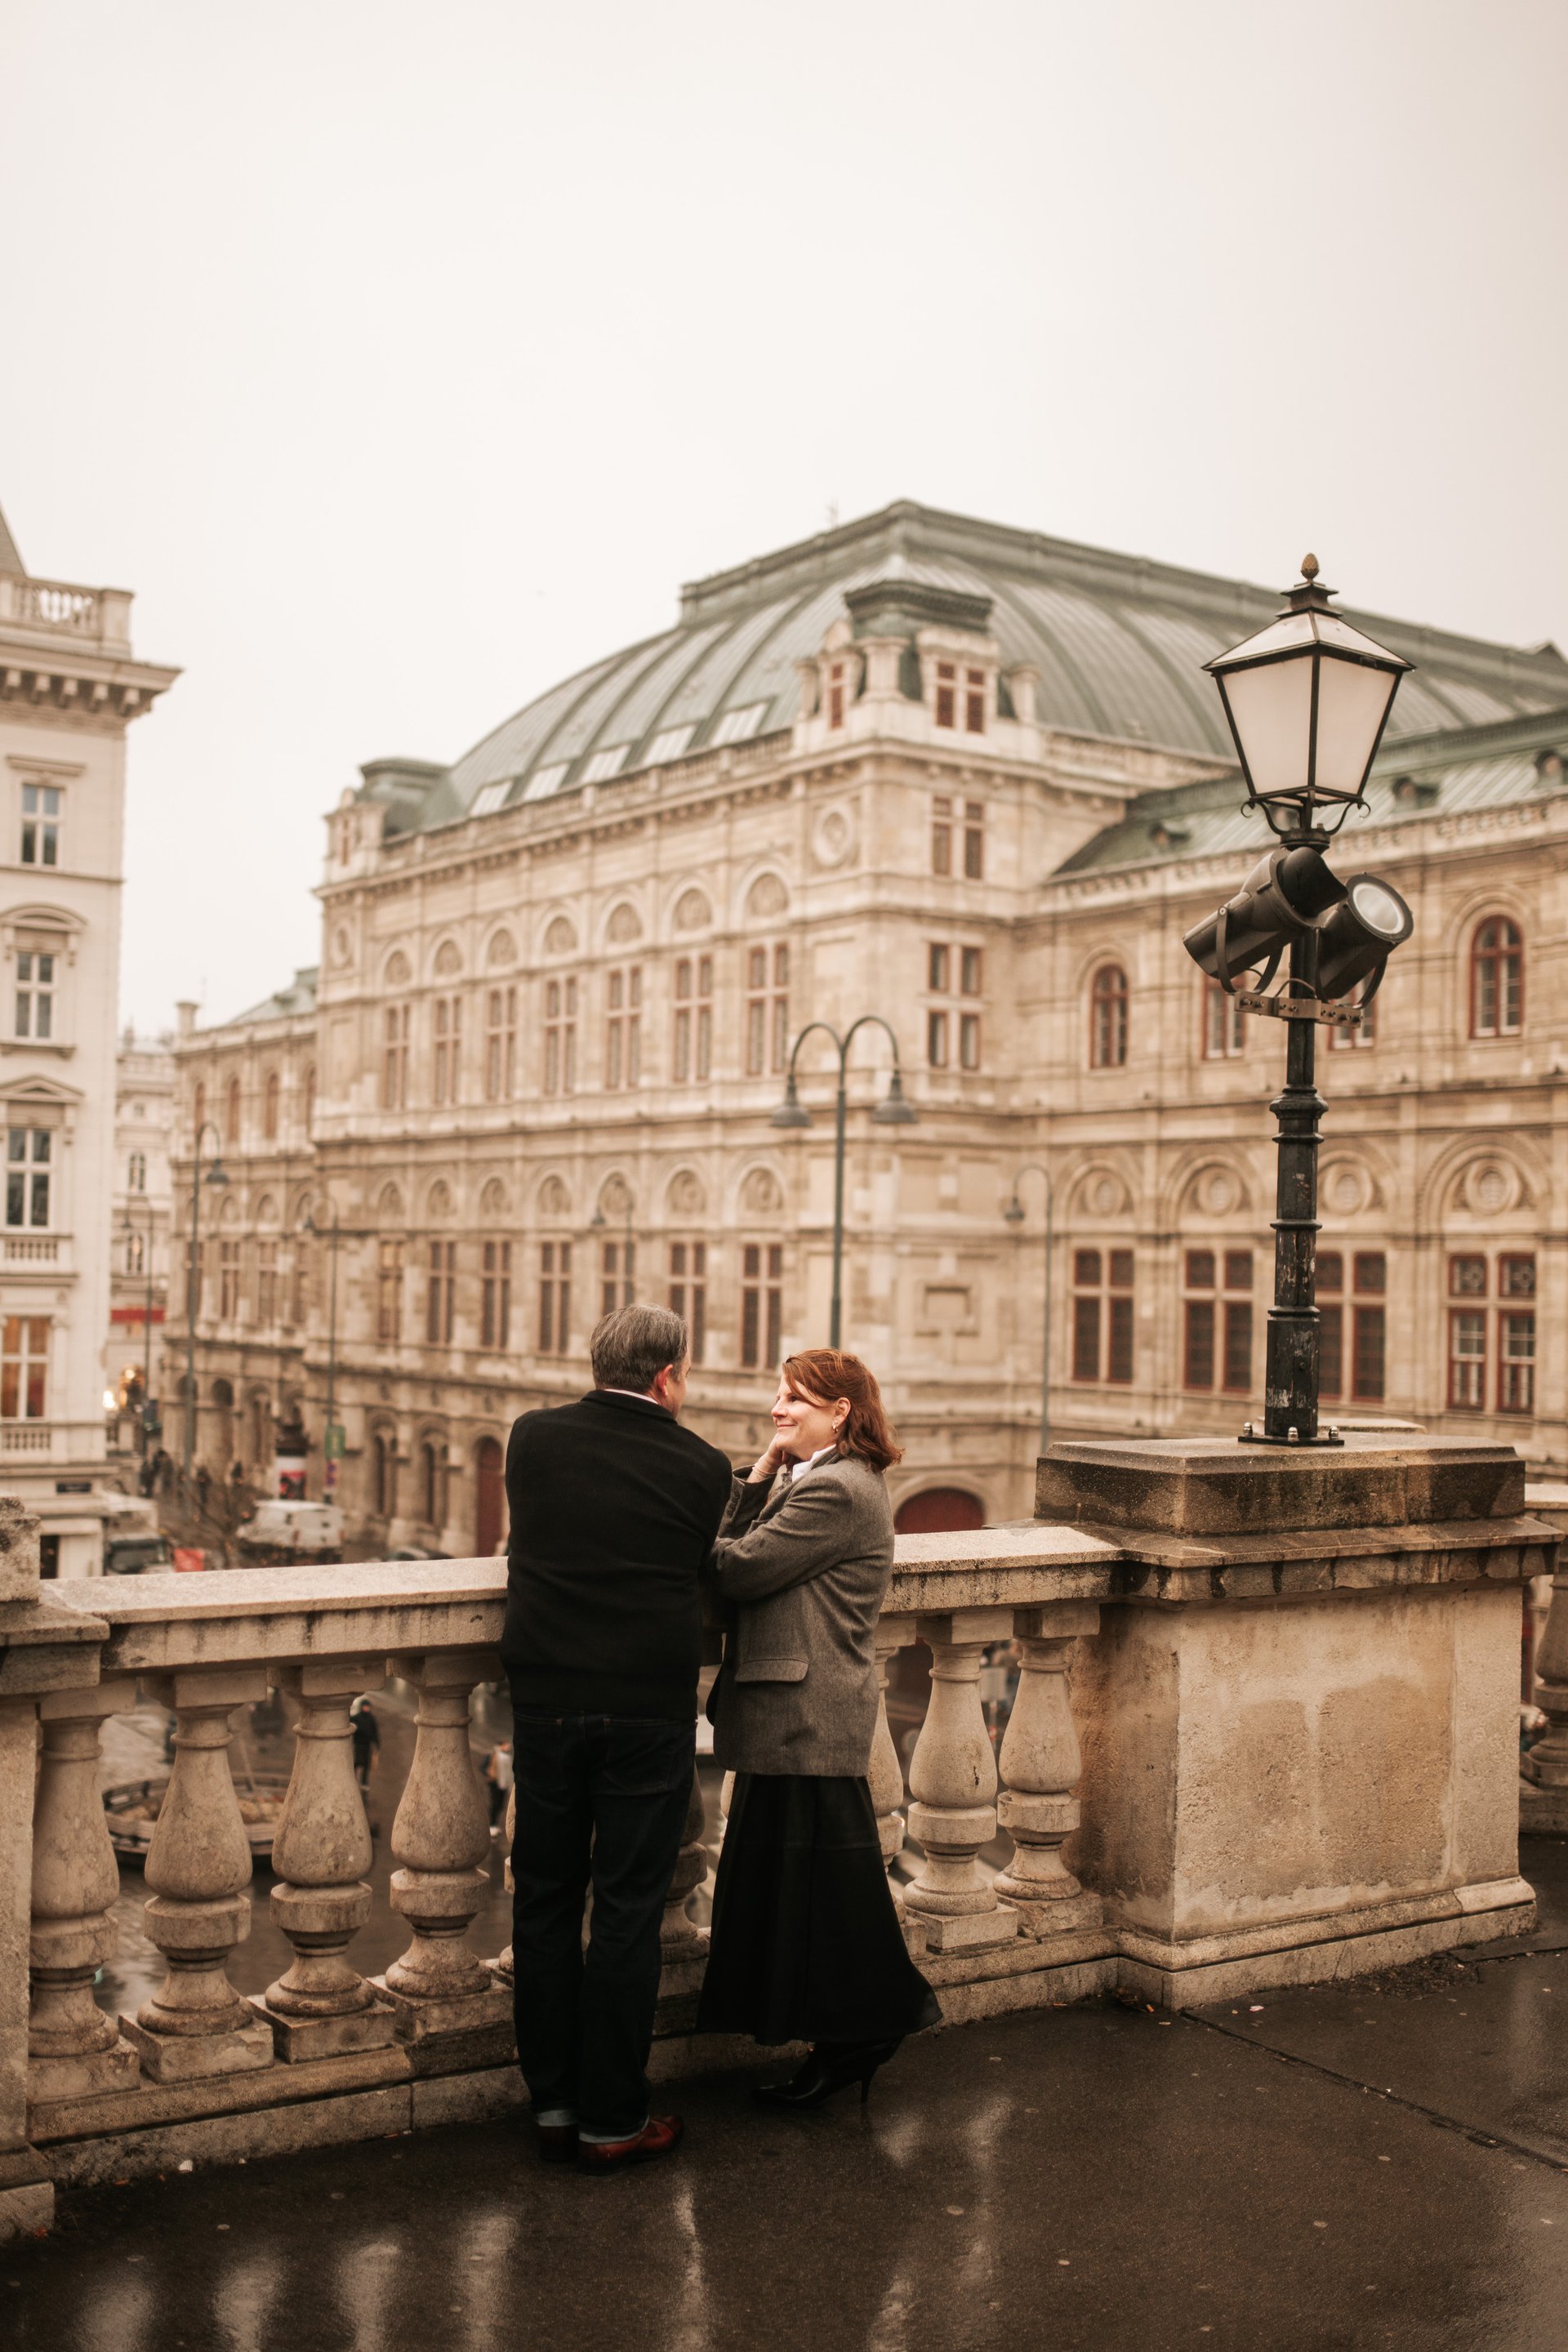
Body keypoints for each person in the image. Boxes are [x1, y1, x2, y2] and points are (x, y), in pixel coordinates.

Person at [501, 1303, 733, 2175]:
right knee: (628, 1914)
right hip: (645, 1709)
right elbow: (705, 1557)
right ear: (668, 1377)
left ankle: (555, 2105)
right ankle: (613, 2120)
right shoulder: (703, 1466)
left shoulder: (532, 1438)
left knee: (545, 1903)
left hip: (547, 1700)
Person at [697, 1347, 940, 2105]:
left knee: (830, 1897)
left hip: (804, 1714)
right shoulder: (823, 1480)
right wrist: (767, 1471)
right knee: (809, 1895)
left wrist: (754, 1480)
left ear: (841, 1412)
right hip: (794, 1712)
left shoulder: (838, 1489)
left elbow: (733, 1569)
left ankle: (870, 2027)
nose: (778, 1408)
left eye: (795, 1398)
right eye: (779, 1394)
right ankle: (847, 2037)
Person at [349, 1696, 380, 1789]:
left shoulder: (371, 1719)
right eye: (364, 1706)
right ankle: (353, 1780)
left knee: (366, 1764)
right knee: (357, 1762)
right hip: (358, 1744)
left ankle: (364, 1782)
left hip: (367, 1745)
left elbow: (375, 1732)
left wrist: (377, 1743)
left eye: (367, 1706)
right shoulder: (357, 1717)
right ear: (362, 1707)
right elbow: (348, 1720)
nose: (366, 1708)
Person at [485, 1736, 514, 1831]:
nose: (508, 1746)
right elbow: (485, 1767)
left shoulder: (507, 1757)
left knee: (500, 1805)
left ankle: (494, 1824)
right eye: (506, 1745)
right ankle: (492, 1824)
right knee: (495, 1804)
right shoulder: (495, 1755)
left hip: (503, 1784)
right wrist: (491, 1775)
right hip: (495, 1783)